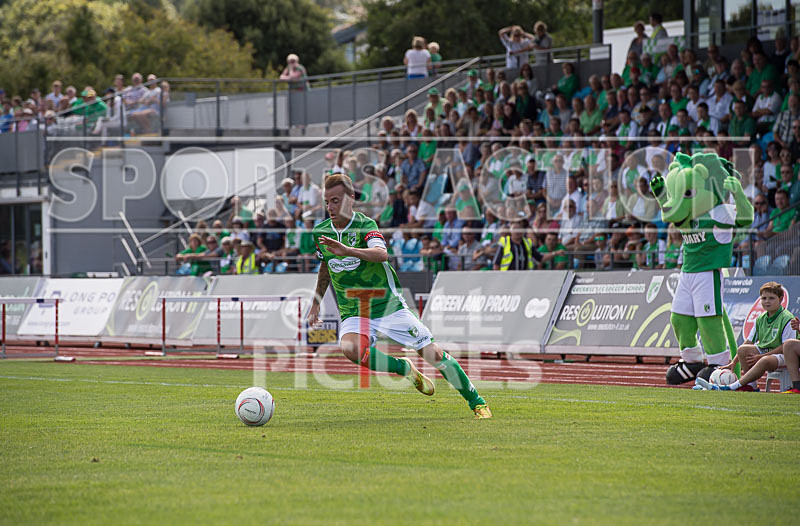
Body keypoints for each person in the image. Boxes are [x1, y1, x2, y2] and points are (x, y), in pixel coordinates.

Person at [307, 174, 492, 418]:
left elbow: (381, 254)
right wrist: (316, 303)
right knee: (351, 349)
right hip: (353, 309)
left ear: (351, 199)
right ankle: (403, 368)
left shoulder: (366, 225)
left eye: (335, 201)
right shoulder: (320, 231)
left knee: (433, 354)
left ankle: (477, 402)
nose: (330, 207)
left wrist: (348, 250)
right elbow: (325, 266)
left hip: (387, 305)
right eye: (327, 202)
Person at [697, 282, 800, 392]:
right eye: (764, 298)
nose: (767, 301)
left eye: (771, 298)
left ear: (781, 299)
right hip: (766, 353)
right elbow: (748, 342)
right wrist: (733, 362)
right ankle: (751, 386)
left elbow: (785, 348)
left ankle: (732, 386)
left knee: (764, 360)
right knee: (743, 350)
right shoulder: (760, 319)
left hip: (784, 356)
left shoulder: (787, 318)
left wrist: (761, 356)